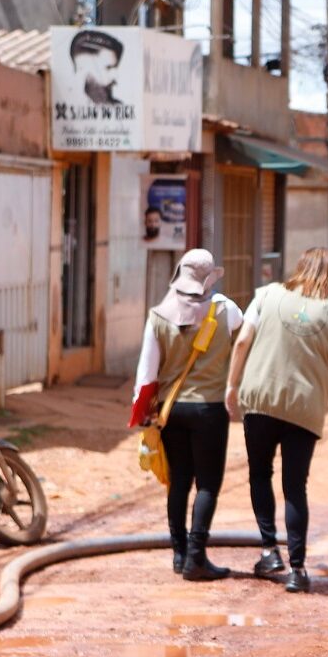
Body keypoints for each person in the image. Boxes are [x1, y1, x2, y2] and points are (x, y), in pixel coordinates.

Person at [225, 248, 328, 594]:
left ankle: (269, 551)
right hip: (305, 407)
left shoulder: (266, 295)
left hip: (260, 400)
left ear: (300, 268)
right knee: (295, 487)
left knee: (260, 474)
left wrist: (232, 384)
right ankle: (298, 570)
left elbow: (242, 341)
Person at [130, 249, 243, 581]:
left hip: (171, 411)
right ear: (208, 279)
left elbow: (146, 375)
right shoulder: (226, 310)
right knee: (207, 484)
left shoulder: (158, 316)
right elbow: (243, 329)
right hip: (210, 410)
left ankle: (179, 554)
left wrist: (141, 412)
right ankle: (197, 556)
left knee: (178, 481)